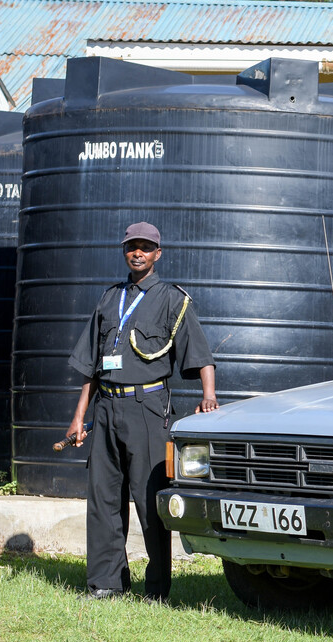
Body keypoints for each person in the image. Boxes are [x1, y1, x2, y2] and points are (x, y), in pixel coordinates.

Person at [65, 222, 218, 601]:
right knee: (103, 498)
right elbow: (90, 366)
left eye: (146, 248)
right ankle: (106, 583)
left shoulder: (172, 299)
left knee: (151, 501)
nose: (138, 253)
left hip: (147, 408)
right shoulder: (109, 299)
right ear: (124, 251)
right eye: (132, 246)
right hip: (106, 407)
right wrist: (79, 416)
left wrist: (209, 396)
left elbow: (201, 354)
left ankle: (157, 589)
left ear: (157, 254)